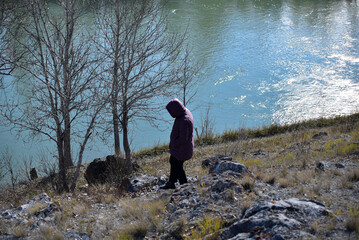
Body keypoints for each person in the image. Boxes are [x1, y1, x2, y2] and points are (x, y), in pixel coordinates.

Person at [160, 98, 194, 189]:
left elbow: (183, 139)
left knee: (178, 166)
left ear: (176, 110)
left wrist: (173, 143)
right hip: (180, 148)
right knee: (173, 162)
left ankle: (184, 186)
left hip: (182, 149)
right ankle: (171, 182)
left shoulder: (184, 120)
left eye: (171, 111)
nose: (171, 114)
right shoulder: (183, 113)